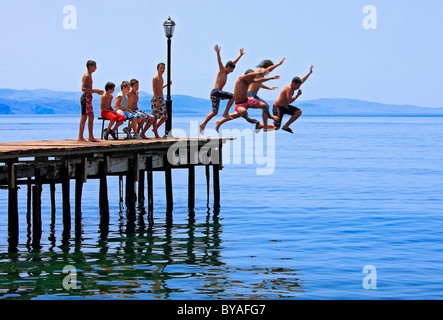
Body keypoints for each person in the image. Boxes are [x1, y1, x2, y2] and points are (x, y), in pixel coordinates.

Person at [215, 66, 280, 132]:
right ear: (247, 76)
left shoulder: (249, 81)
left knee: (264, 106)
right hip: (239, 104)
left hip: (248, 100)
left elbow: (260, 80)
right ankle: (248, 119)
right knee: (243, 112)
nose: (252, 79)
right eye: (251, 77)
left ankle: (269, 116)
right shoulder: (241, 79)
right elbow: (251, 75)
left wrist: (272, 78)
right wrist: (259, 73)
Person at [199, 45, 245, 134]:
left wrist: (240, 55)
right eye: (232, 70)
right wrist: (218, 53)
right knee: (234, 96)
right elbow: (219, 61)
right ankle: (226, 113)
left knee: (215, 112)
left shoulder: (226, 71)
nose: (232, 72)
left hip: (214, 94)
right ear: (228, 67)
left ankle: (203, 124)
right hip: (216, 92)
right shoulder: (222, 70)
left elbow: (234, 62)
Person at [273, 65, 314, 134]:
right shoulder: (289, 89)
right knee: (276, 127)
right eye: (298, 86)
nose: (298, 87)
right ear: (293, 83)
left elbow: (302, 80)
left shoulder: (294, 86)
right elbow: (289, 101)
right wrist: (297, 95)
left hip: (284, 107)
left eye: (299, 86)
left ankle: (286, 126)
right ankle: (261, 125)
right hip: (278, 107)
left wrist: (309, 73)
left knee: (298, 112)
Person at [78, 60, 104, 142]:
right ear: (90, 66)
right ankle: (80, 137)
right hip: (86, 97)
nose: (96, 68)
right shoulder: (87, 76)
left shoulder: (89, 75)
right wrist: (96, 91)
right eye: (94, 66)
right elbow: (83, 89)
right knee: (84, 117)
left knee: (91, 116)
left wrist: (95, 91)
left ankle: (91, 137)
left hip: (89, 97)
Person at [151, 63, 171, 139]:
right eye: (161, 68)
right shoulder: (155, 78)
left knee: (165, 117)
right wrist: (157, 100)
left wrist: (167, 84)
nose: (162, 70)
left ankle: (154, 128)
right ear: (157, 69)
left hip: (161, 98)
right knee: (155, 117)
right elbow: (154, 89)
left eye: (163, 68)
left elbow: (160, 88)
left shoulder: (161, 78)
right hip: (156, 99)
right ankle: (156, 134)